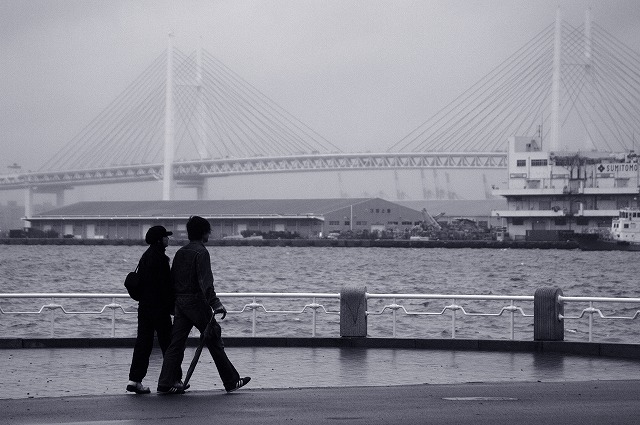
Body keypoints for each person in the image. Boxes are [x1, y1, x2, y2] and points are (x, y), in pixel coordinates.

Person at [157, 216, 250, 394]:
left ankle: (165, 382)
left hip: (180, 303)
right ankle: (231, 380)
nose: (210, 233)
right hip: (197, 303)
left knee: (175, 344)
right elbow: (205, 283)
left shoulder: (180, 252)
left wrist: (174, 305)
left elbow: (172, 281)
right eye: (208, 231)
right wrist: (216, 304)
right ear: (203, 232)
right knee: (214, 337)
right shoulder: (202, 253)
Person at [126, 225, 178, 394]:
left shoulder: (145, 257)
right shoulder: (161, 260)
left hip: (144, 307)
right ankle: (173, 380)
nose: (168, 239)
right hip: (159, 308)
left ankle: (134, 380)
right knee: (169, 345)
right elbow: (165, 287)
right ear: (159, 240)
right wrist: (172, 307)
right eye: (165, 237)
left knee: (143, 343)